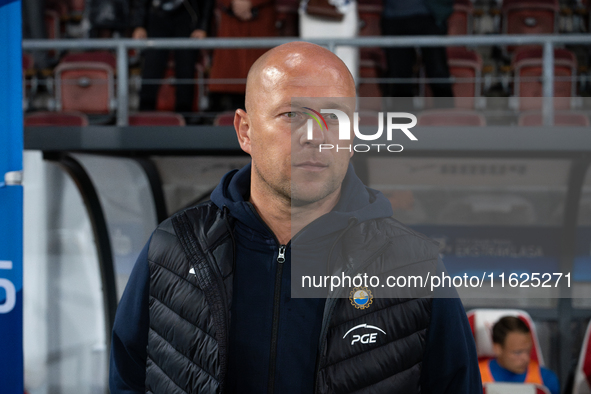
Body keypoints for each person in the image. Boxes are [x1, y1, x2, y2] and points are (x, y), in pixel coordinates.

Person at [109, 41, 482, 393]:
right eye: (291, 114)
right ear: (245, 130)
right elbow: (128, 379)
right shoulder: (174, 249)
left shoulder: (414, 266)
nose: (315, 136)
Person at [130, 0, 214, 114]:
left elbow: (208, 3)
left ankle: (186, 120)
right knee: (151, 68)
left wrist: (202, 27)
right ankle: (145, 117)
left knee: (186, 70)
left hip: (188, 14)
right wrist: (139, 25)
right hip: (156, 14)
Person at [381, 0, 454, 98]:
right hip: (393, 17)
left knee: (438, 71)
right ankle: (402, 112)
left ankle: (446, 111)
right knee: (399, 76)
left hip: (428, 15)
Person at [479, 316, 560, 394]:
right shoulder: (475, 376)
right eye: (518, 352)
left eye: (528, 351)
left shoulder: (546, 380)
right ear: (497, 349)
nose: (526, 358)